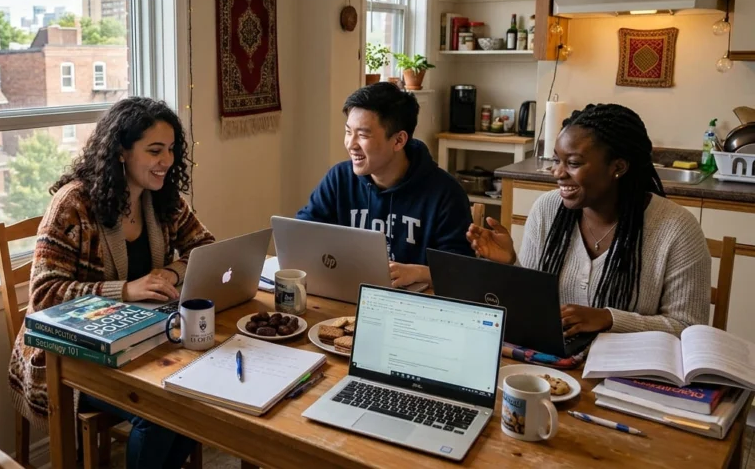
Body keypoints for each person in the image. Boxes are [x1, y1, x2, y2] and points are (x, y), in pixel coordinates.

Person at [9, 97, 214, 469]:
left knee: (195, 394)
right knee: (158, 415)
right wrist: (125, 290)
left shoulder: (162, 196)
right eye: (154, 151)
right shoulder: (73, 204)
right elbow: (43, 295)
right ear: (121, 150)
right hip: (68, 356)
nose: (166, 161)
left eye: (170, 150)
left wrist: (171, 273)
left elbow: (205, 248)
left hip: (142, 340)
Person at [467, 103, 710, 337]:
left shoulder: (677, 229)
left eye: (573, 163)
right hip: (556, 364)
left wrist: (609, 319)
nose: (558, 173)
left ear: (618, 167)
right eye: (556, 161)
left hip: (627, 372)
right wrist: (511, 265)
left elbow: (688, 328)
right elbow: (532, 304)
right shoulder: (547, 209)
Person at [297, 82, 474, 290]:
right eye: (348, 132)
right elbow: (302, 234)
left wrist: (417, 272)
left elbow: (463, 269)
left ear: (399, 140)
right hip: (346, 294)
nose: (351, 144)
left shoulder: (445, 193)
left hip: (412, 307)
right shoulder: (339, 178)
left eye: (363, 135)